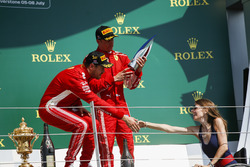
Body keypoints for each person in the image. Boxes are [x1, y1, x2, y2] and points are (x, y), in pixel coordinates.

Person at [38, 51, 140, 167]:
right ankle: (69, 164)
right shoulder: (76, 75)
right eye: (102, 68)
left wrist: (77, 104)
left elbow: (70, 92)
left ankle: (84, 164)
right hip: (49, 108)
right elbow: (96, 101)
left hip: (64, 107)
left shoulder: (85, 74)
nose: (104, 71)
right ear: (92, 66)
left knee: (94, 124)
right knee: (82, 125)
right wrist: (124, 117)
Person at [84, 25, 147, 167]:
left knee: (128, 146)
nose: (110, 43)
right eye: (107, 40)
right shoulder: (91, 59)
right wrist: (113, 79)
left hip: (122, 106)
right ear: (98, 41)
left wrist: (138, 70)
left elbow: (131, 85)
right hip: (103, 109)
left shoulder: (122, 57)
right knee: (106, 148)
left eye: (112, 39)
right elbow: (91, 88)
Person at [139, 98, 237, 167]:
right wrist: (147, 124)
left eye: (195, 108)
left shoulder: (217, 121)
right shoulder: (196, 130)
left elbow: (224, 146)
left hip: (231, 165)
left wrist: (210, 165)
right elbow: (170, 129)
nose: (192, 110)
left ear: (206, 110)